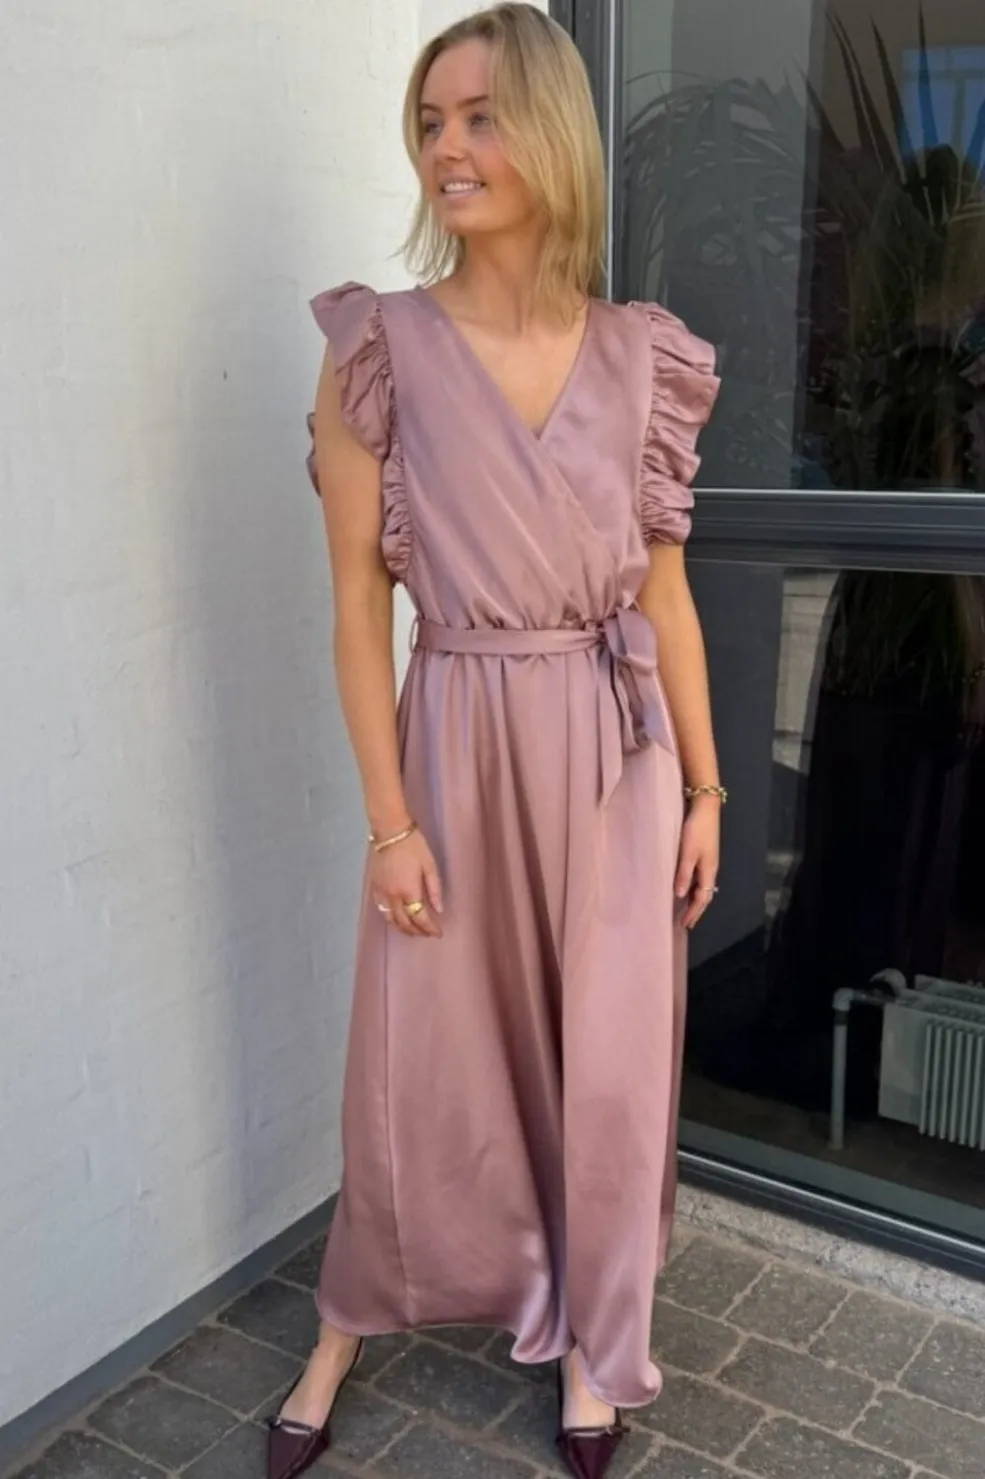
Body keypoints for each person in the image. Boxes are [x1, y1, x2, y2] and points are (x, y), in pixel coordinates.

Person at [267, 7, 723, 1479]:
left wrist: (708, 787)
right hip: (456, 744)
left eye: (479, 117)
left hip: (614, 754)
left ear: (550, 136)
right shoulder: (379, 353)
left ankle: (591, 1335)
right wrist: (389, 822)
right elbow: (358, 609)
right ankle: (347, 1317)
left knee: (608, 1070)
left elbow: (664, 596)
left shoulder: (643, 359)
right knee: (422, 1068)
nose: (446, 150)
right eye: (429, 122)